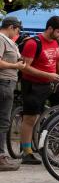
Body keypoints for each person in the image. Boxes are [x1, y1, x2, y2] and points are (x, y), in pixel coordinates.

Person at [19, 15, 59, 165]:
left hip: (51, 84)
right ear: (50, 28)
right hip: (32, 84)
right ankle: (27, 152)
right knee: (30, 118)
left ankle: (46, 139)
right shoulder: (33, 43)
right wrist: (47, 74)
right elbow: (25, 68)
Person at [0, 17, 27, 171]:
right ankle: (1, 157)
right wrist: (15, 65)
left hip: (7, 83)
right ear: (11, 27)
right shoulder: (1, 39)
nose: (18, 32)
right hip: (3, 82)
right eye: (18, 29)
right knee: (3, 121)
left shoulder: (9, 41)